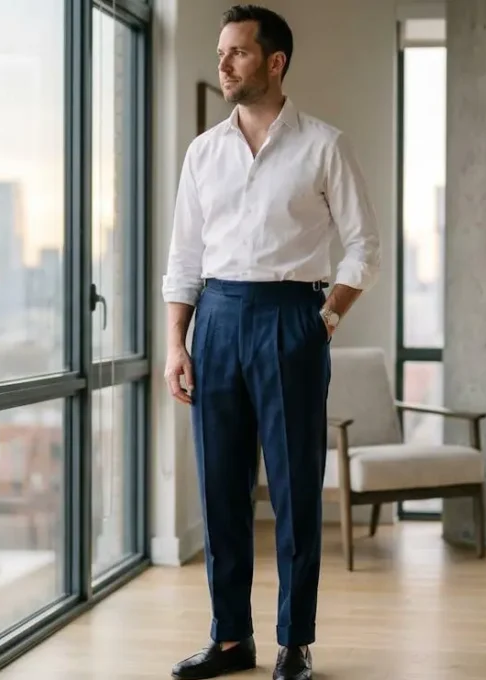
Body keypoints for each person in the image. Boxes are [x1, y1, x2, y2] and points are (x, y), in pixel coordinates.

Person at [160, 5, 381, 680]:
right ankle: (232, 640)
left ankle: (294, 643)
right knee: (221, 488)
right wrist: (177, 341)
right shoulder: (203, 152)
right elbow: (184, 256)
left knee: (293, 489)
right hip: (217, 318)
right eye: (221, 51)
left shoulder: (324, 145)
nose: (223, 62)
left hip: (292, 317)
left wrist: (327, 318)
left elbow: (364, 246)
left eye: (238, 52)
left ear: (275, 62)